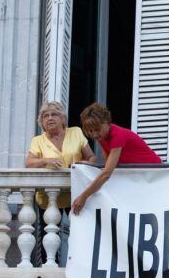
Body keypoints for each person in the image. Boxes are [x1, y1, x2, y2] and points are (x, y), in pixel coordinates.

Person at [25, 101, 95, 263]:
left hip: (75, 192)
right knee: (49, 232)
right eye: (45, 116)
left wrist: (84, 163)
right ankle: (49, 264)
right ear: (41, 122)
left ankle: (82, 264)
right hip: (49, 196)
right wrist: (46, 160)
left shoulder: (76, 132)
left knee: (80, 231)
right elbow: (29, 162)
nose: (50, 118)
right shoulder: (38, 140)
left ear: (63, 119)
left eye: (54, 114)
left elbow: (92, 157)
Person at [70, 103, 161, 214]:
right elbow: (107, 165)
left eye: (97, 129)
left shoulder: (118, 135)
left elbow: (106, 173)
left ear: (107, 122)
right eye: (90, 131)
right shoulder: (102, 137)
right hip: (138, 175)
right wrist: (88, 165)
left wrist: (83, 196)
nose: (94, 134)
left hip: (154, 174)